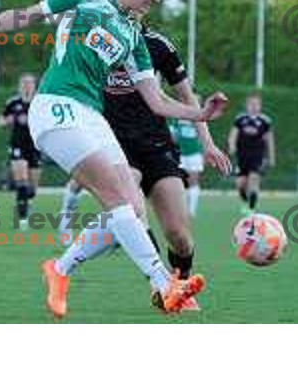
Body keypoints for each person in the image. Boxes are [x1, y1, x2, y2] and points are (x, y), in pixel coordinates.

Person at [0, 0, 228, 317]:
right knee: (118, 200)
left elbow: (156, 101)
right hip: (56, 107)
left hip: (91, 117)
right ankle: (164, 284)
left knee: (133, 212)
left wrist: (201, 115)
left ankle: (60, 269)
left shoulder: (135, 39)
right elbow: (23, 17)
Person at [59, 18, 231, 313]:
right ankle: (161, 284)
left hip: (157, 147)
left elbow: (187, 96)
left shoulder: (159, 46)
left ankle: (180, 284)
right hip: (116, 147)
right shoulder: (96, 43)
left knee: (179, 235)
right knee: (132, 209)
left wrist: (209, 144)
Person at [0, 73, 41, 228]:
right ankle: (22, 220)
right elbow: (0, 121)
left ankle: (27, 203)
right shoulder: (13, 102)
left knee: (32, 190)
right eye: (24, 83)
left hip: (35, 147)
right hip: (17, 146)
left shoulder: (40, 102)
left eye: (30, 83)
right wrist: (8, 121)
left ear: (35, 86)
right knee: (21, 182)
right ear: (20, 86)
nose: (27, 86)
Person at [228, 93, 275, 213]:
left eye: (256, 104)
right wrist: (232, 145)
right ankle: (245, 202)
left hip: (257, 155)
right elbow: (233, 134)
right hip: (242, 156)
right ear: (247, 105)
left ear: (260, 106)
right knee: (240, 184)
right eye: (251, 104)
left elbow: (269, 140)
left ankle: (252, 207)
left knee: (253, 179)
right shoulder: (240, 119)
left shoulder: (265, 121)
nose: (254, 106)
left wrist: (271, 156)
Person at [169, 117, 205, 218]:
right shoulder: (175, 118)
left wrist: (204, 154)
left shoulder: (197, 118)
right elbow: (172, 137)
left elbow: (202, 138)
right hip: (180, 154)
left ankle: (192, 210)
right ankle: (181, 209)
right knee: (179, 182)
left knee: (193, 181)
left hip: (194, 154)